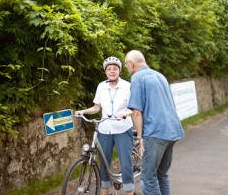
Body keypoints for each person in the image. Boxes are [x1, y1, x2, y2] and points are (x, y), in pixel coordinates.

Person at [124, 50, 185, 195]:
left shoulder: (137, 78)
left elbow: (137, 112)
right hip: (173, 131)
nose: (126, 68)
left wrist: (140, 137)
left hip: (155, 132)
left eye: (126, 64)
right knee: (162, 174)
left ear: (131, 64)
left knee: (148, 177)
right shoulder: (160, 76)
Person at [75, 56, 134, 195]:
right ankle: (104, 191)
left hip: (122, 128)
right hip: (104, 129)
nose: (112, 71)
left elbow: (133, 108)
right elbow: (97, 108)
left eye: (115, 68)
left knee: (125, 162)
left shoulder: (127, 86)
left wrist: (125, 113)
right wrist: (83, 112)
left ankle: (129, 191)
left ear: (119, 70)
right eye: (109, 69)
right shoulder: (102, 86)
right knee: (103, 162)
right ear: (105, 71)